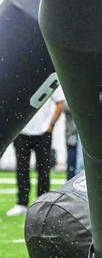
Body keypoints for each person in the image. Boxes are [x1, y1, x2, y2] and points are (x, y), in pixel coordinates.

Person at [6, 87, 64, 216]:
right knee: (22, 168)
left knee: (43, 169)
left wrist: (50, 126)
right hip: (21, 132)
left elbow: (60, 102)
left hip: (43, 132)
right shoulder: (19, 79)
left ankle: (42, 203)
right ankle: (22, 203)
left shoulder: (46, 77)